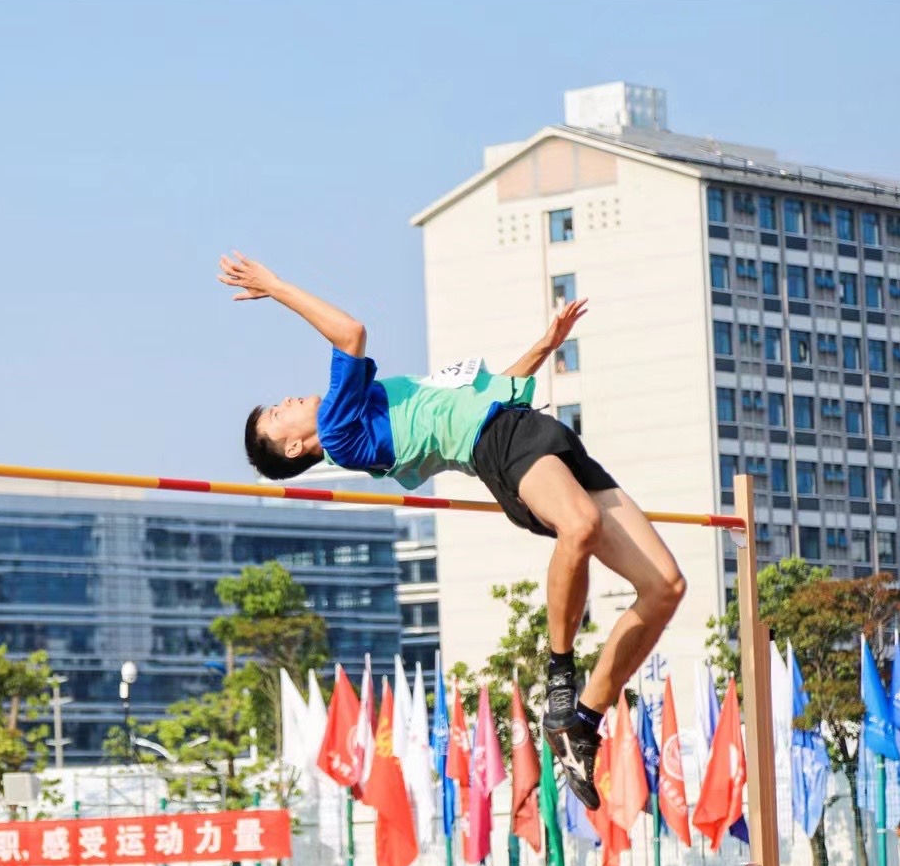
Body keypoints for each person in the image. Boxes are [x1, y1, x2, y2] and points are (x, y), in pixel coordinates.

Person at [224, 253, 685, 807]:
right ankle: (560, 679)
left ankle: (582, 721)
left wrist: (545, 344)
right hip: (502, 444)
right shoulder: (339, 430)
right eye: (277, 415)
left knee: (665, 586)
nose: (287, 401)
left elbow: (479, 396)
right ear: (297, 447)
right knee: (580, 525)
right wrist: (274, 285)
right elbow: (351, 332)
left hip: (527, 427)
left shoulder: (364, 404)